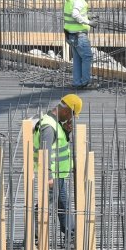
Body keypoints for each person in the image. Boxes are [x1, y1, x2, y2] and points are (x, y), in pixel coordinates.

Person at [33, 94, 83, 242]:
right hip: (52, 174)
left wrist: (66, 132)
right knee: (45, 203)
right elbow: (45, 150)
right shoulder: (49, 127)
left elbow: (57, 145)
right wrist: (48, 175)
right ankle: (35, 235)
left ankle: (70, 233)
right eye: (72, 115)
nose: (71, 119)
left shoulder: (54, 122)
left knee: (62, 202)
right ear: (67, 111)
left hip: (58, 173)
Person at [64, 0, 99, 90]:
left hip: (70, 34)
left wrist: (88, 16)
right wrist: (89, 22)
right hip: (79, 35)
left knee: (78, 59)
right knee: (87, 57)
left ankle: (77, 82)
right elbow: (75, 14)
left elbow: (75, 13)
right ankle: (85, 82)